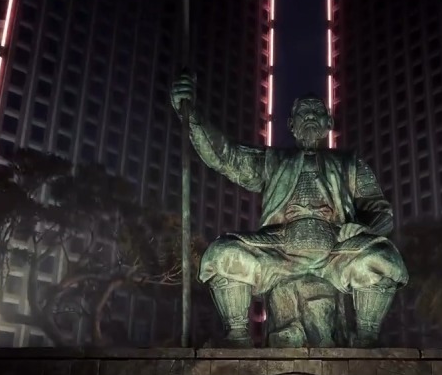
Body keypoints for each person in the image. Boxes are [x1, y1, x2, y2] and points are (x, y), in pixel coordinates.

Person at [171, 74, 408, 347]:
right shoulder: (273, 160)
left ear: (329, 123)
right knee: (224, 252)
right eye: (303, 112)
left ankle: (367, 336)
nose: (310, 116)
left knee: (383, 257)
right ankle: (237, 336)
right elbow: (226, 156)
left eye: (317, 111)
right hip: (279, 247)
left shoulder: (350, 164)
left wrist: (364, 229)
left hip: (336, 249)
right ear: (291, 125)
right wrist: (193, 117)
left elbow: (382, 211)